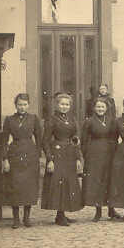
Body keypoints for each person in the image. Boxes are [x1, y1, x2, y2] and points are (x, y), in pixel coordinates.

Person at [41, 93, 83, 226]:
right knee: (59, 183)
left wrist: (77, 158)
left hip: (70, 153)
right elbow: (45, 141)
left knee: (67, 183)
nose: (64, 106)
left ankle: (63, 213)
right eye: (62, 104)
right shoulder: (52, 120)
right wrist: (50, 159)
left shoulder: (72, 119)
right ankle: (59, 215)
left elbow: (75, 139)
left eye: (67, 104)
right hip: (57, 153)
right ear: (57, 105)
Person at [1, 93, 41, 229]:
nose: (22, 107)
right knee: (15, 186)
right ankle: (16, 219)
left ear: (28, 105)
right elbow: (4, 141)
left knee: (28, 186)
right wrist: (5, 159)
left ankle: (27, 218)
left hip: (30, 154)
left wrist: (37, 155)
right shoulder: (9, 120)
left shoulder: (34, 119)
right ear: (15, 105)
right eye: (19, 105)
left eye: (24, 104)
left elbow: (39, 139)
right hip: (15, 154)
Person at [81, 97, 120, 222]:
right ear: (94, 108)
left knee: (110, 180)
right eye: (98, 107)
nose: (100, 109)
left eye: (102, 107)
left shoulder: (111, 121)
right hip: (94, 154)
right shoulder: (89, 121)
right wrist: (87, 154)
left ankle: (111, 209)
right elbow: (84, 140)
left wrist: (114, 153)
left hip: (109, 153)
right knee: (97, 181)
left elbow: (114, 138)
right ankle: (98, 211)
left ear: (106, 108)